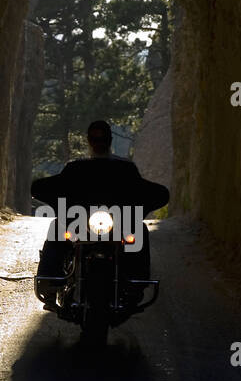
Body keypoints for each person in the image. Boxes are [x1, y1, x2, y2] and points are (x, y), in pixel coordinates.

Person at [31, 120, 169, 306]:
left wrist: (142, 208)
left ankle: (136, 283)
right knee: (57, 226)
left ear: (110, 140)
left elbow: (141, 190)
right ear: (89, 140)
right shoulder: (76, 169)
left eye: (103, 138)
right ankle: (49, 282)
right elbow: (55, 186)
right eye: (95, 138)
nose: (99, 142)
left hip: (118, 225)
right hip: (81, 224)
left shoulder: (125, 170)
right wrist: (54, 201)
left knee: (139, 229)